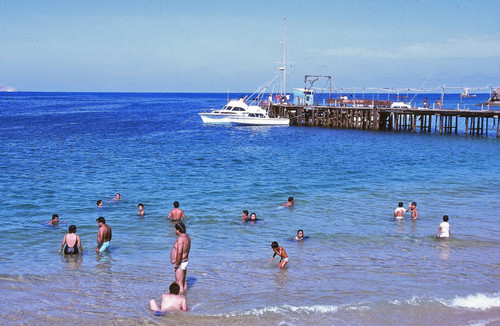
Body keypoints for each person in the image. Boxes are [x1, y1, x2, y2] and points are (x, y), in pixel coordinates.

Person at [171, 222, 191, 294]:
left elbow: (179, 252)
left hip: (180, 262)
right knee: (183, 281)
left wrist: (176, 264)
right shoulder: (187, 237)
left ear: (178, 230)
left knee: (179, 283)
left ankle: (181, 299)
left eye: (175, 230)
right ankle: (185, 297)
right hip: (185, 261)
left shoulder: (180, 239)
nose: (175, 231)